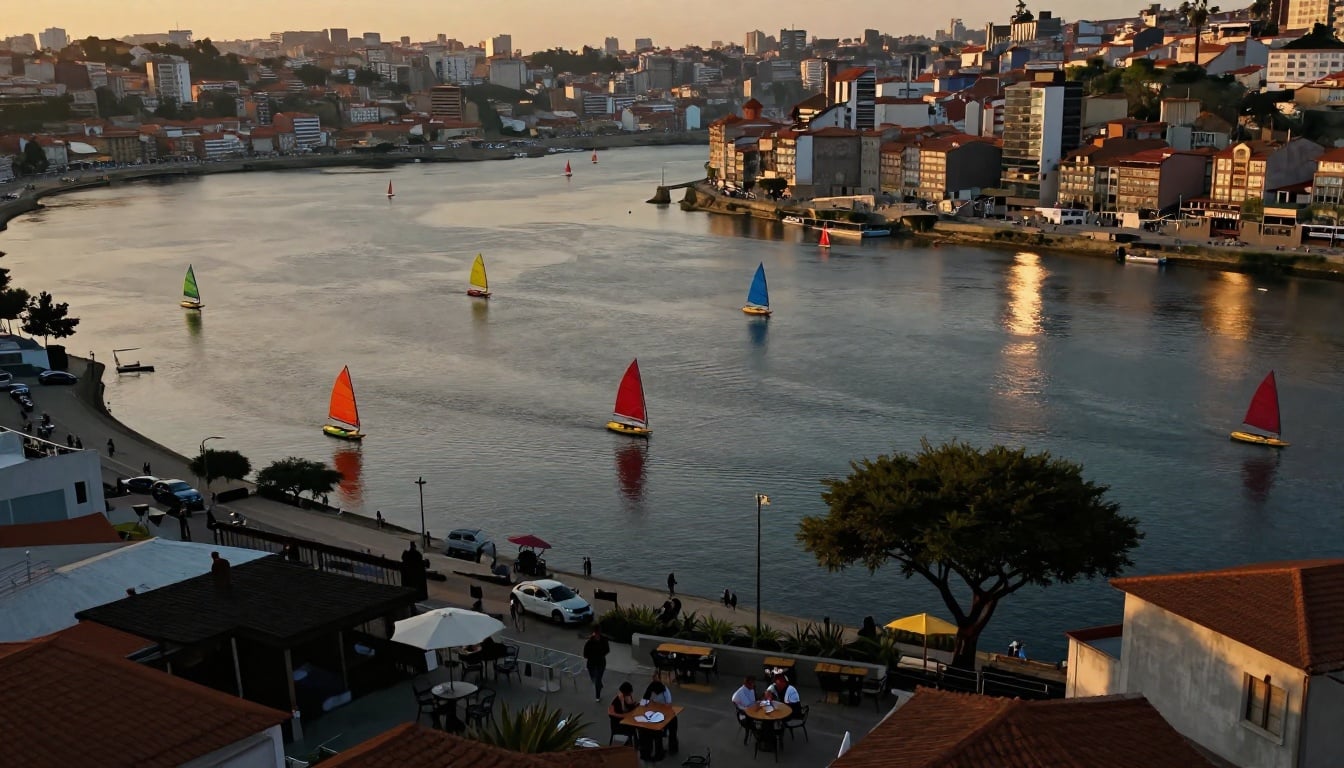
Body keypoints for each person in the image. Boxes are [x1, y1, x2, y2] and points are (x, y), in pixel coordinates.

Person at [584, 627, 611, 702]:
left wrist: (600, 655)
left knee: (598, 679)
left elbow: (607, 650)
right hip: (591, 663)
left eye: (598, 634)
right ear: (594, 633)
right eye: (595, 634)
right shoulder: (589, 642)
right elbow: (585, 654)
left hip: (600, 663)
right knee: (593, 678)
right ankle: (598, 683)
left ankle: (597, 695)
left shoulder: (604, 640)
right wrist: (592, 656)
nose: (597, 635)